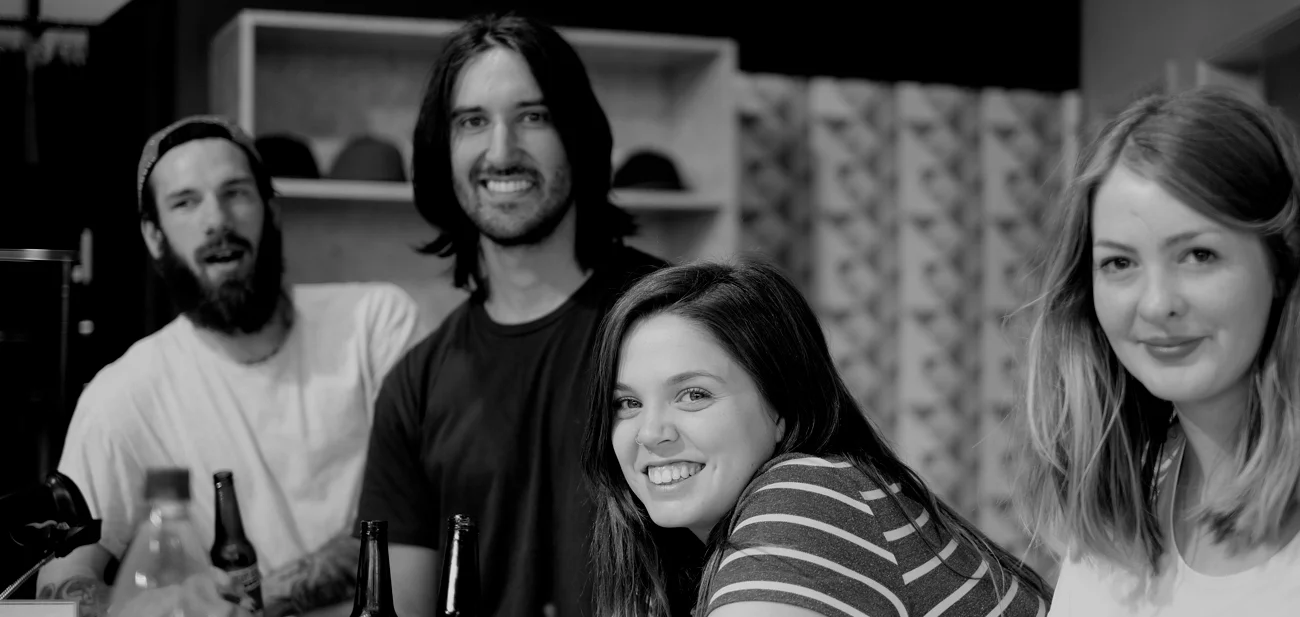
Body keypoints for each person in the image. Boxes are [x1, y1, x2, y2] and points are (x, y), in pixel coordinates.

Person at [36, 115, 422, 617]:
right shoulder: (123, 396)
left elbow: (422, 509)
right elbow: (59, 585)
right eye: (185, 202)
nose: (216, 220)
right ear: (154, 236)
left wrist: (254, 598)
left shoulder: (376, 325)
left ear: (271, 211)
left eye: (235, 193)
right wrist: (143, 609)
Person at [352, 12, 670, 617]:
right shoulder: (415, 387)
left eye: (533, 116)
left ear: (577, 134)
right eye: (472, 122)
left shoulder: (676, 318)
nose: (501, 151)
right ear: (442, 150)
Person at [582, 259, 1054, 617]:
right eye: (628, 403)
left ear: (783, 410)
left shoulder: (806, 495)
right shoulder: (690, 560)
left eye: (693, 395)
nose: (651, 433)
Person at [1015, 85, 1300, 616]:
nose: (1156, 303)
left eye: (1198, 254)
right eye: (1119, 263)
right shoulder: (1117, 512)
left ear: (1281, 267)